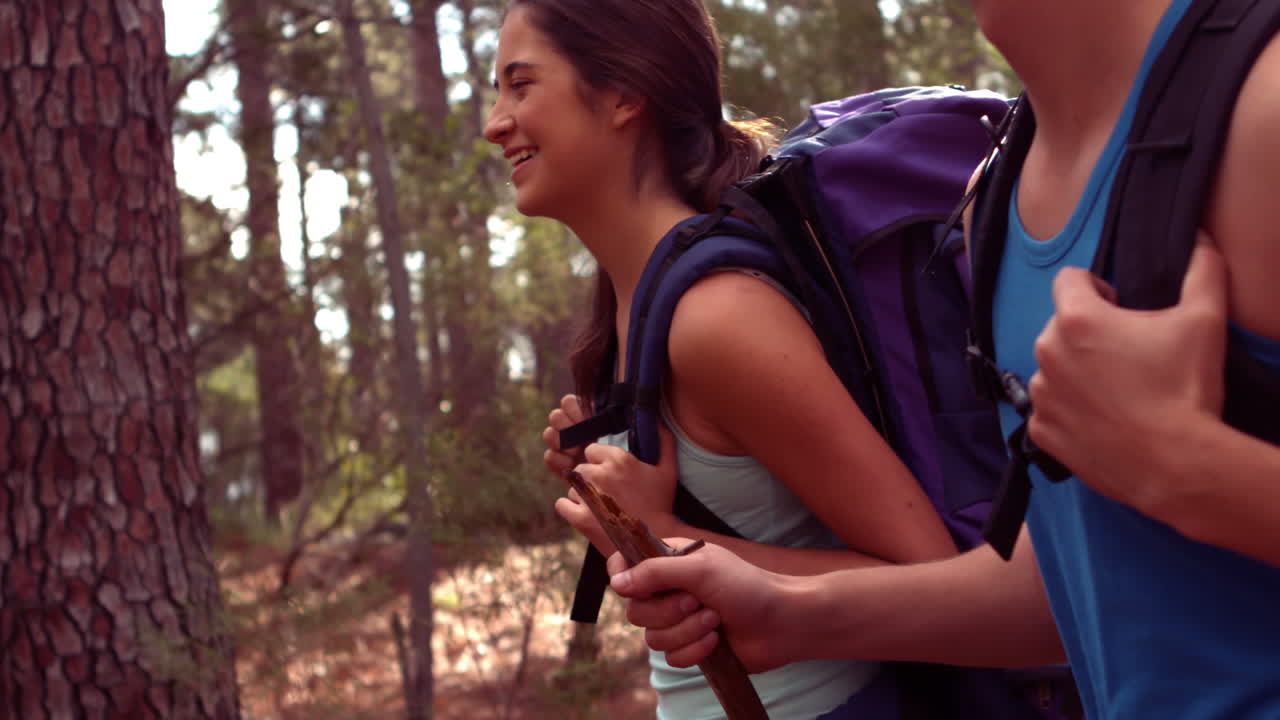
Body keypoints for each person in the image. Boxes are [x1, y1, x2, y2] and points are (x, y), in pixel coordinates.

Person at [602, 0, 1280, 717]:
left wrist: (1182, 465)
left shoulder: (1262, 107)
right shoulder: (1001, 192)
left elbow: (1162, 484)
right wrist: (787, 613)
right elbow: (1067, 589)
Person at [482, 1, 971, 717]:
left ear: (622, 94)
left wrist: (664, 535)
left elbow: (944, 584)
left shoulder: (716, 316)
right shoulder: (640, 302)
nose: (495, 122)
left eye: (520, 86)